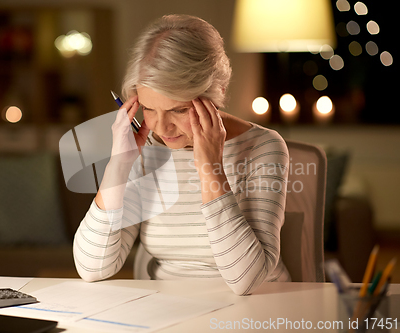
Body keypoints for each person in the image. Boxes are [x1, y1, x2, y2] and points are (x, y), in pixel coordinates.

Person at [73, 14, 291, 296]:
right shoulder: (146, 147)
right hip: (167, 309)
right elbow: (92, 267)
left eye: (178, 110)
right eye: (149, 109)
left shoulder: (263, 146)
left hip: (257, 309)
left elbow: (246, 280)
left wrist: (210, 166)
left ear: (218, 93)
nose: (161, 128)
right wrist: (118, 165)